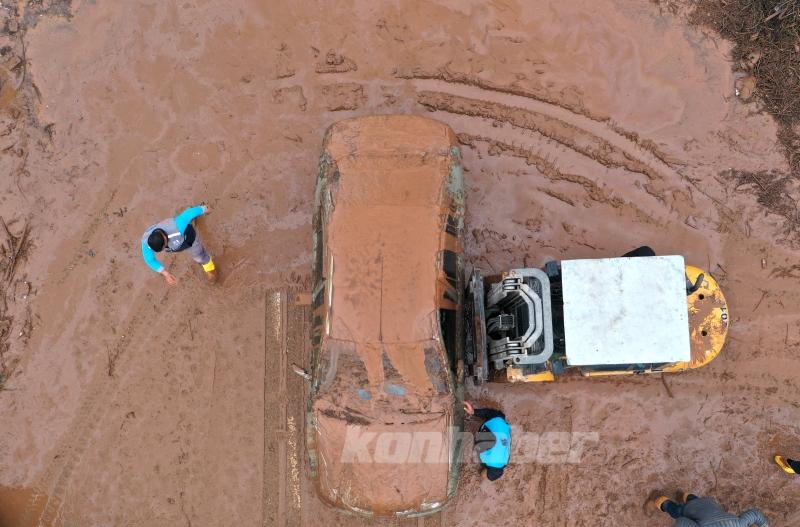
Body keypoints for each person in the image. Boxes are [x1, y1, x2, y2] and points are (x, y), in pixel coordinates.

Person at [141, 204, 216, 284]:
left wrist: (204, 209)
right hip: (178, 240)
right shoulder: (147, 243)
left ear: (165, 242)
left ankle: (210, 270)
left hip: (189, 238)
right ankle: (191, 222)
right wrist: (166, 274)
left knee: (200, 256)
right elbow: (149, 260)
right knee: (186, 222)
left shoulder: (177, 226)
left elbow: (188, 214)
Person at [649, 492, 769, 526]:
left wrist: (764, 525)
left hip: (708, 503)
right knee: (677, 513)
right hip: (687, 510)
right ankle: (665, 503)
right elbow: (682, 522)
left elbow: (755, 513)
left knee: (698, 502)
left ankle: (688, 496)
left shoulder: (740, 523)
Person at [463, 401, 510, 481]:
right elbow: (479, 446)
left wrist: (474, 412)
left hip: (501, 420)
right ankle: (475, 414)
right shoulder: (486, 460)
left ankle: (474, 412)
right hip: (492, 421)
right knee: (479, 444)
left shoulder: (505, 462)